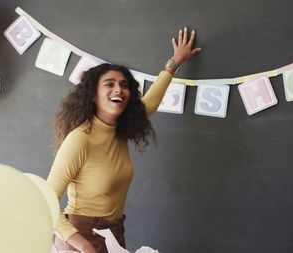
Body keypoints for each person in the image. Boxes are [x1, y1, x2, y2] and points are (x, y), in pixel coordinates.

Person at [47, 27, 201, 253]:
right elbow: (45, 202)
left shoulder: (119, 127)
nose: (118, 89)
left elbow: (152, 100)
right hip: (80, 238)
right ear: (92, 94)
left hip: (113, 234)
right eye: (109, 84)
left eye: (124, 84)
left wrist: (174, 62)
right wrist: (84, 245)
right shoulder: (80, 139)